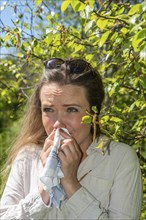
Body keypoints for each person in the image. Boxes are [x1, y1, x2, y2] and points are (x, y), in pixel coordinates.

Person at [0, 58, 142, 219]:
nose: (58, 124)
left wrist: (70, 183)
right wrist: (45, 186)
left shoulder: (120, 158)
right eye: (48, 109)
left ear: (93, 113)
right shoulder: (28, 156)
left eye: (72, 109)